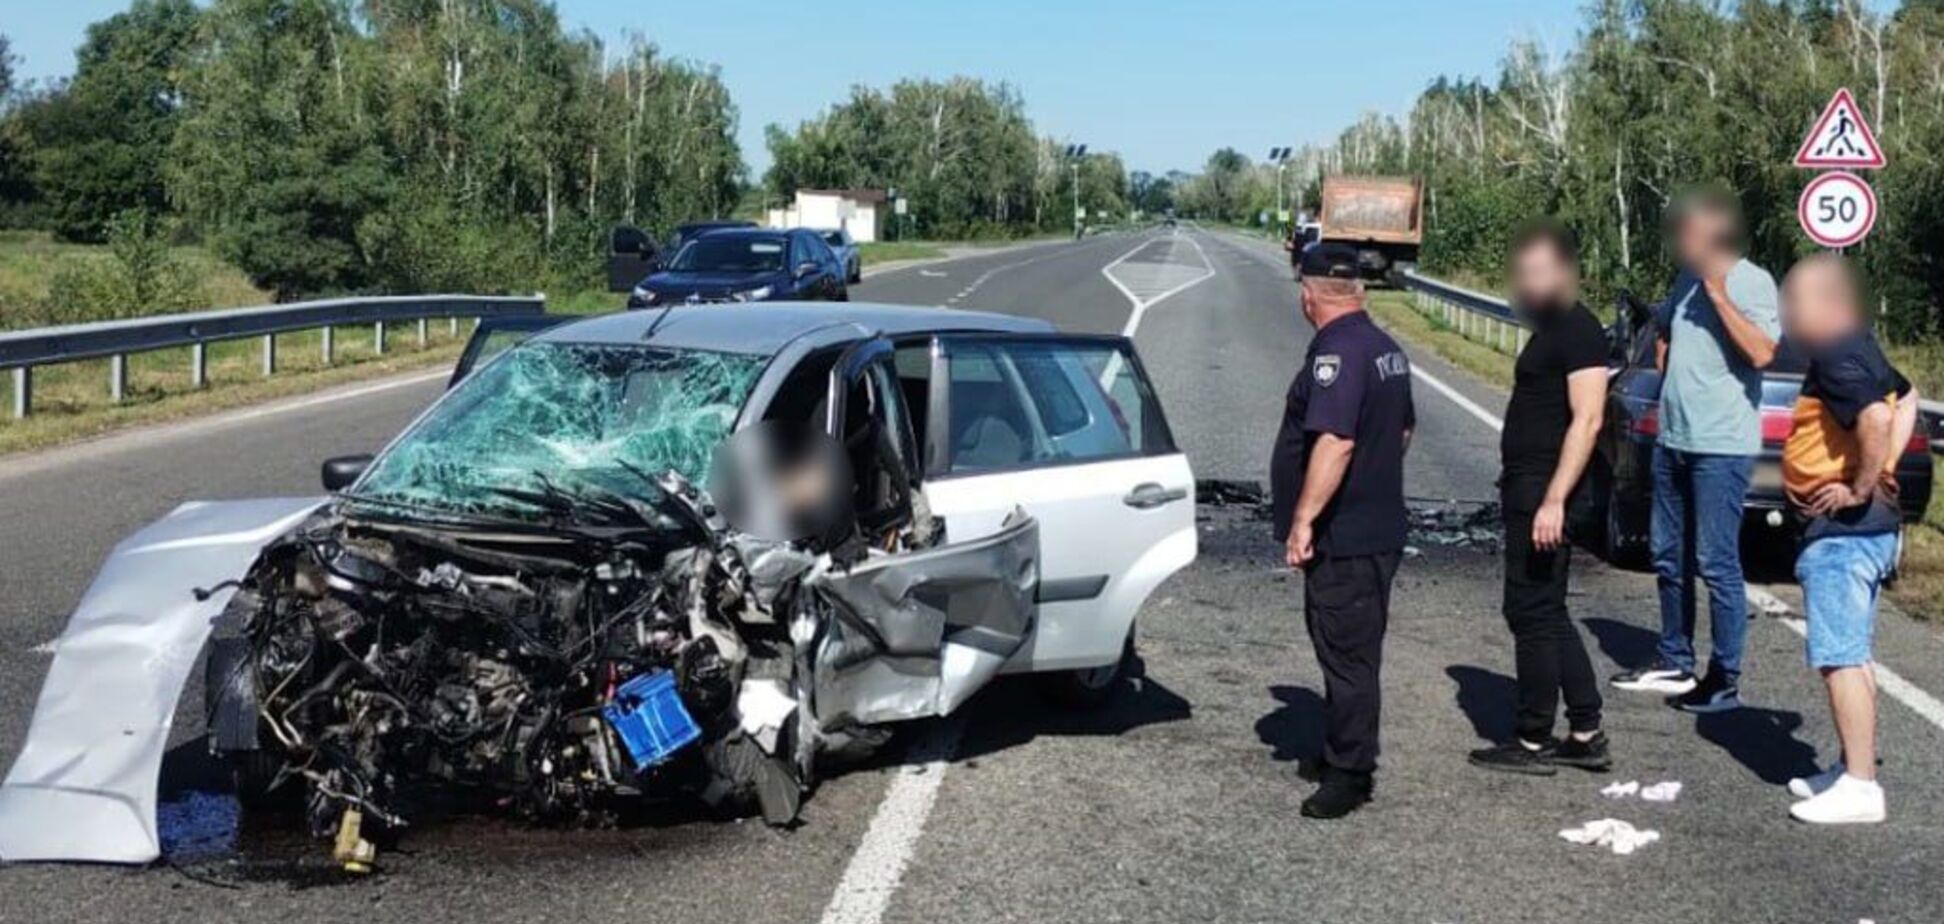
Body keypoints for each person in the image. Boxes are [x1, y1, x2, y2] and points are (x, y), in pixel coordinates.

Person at [1610, 189, 1780, 712]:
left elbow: (1762, 352)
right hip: (1675, 437)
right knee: (1666, 553)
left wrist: (1718, 293)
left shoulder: (1751, 280)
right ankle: (1673, 658)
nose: (1681, 241)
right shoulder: (1683, 280)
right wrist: (1666, 361)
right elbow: (1666, 332)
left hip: (1721, 445)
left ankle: (1723, 676)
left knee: (1716, 560)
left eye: (1689, 232)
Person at [1270, 242, 1416, 819]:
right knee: (1349, 648)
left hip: (1347, 534)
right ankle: (1340, 749)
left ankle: (1351, 773)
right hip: (1377, 522)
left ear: (1310, 295)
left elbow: (1335, 441)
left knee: (1348, 656)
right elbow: (1401, 431)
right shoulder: (1385, 348)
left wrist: (1304, 519)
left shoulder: (1337, 355)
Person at [1468, 220, 1612, 775]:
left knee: (1528, 609)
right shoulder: (1554, 327)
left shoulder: (1579, 329)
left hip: (1546, 489)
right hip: (1530, 483)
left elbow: (1589, 418)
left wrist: (1554, 499)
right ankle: (1585, 729)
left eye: (1536, 272)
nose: (1526, 283)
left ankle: (1531, 738)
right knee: (1546, 608)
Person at [1778, 254, 1918, 824]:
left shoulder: (1837, 351)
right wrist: (1882, 470)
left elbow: (1878, 419)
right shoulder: (1860, 344)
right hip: (1863, 532)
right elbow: (1905, 401)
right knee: (1853, 655)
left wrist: (1861, 485)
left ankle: (1861, 787)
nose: (1787, 314)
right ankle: (1850, 767)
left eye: (1796, 301)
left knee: (1838, 657)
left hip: (1842, 535)